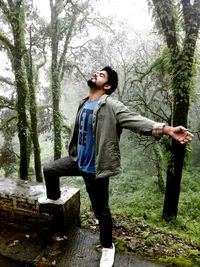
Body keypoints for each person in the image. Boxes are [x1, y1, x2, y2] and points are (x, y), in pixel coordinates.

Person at [40, 66, 193, 267]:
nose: (96, 74)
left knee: (101, 210)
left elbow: (135, 120)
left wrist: (166, 129)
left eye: (101, 75)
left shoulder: (111, 105)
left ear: (108, 85)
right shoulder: (84, 103)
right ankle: (54, 200)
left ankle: (107, 246)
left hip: (96, 167)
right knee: (50, 170)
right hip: (77, 160)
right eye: (97, 72)